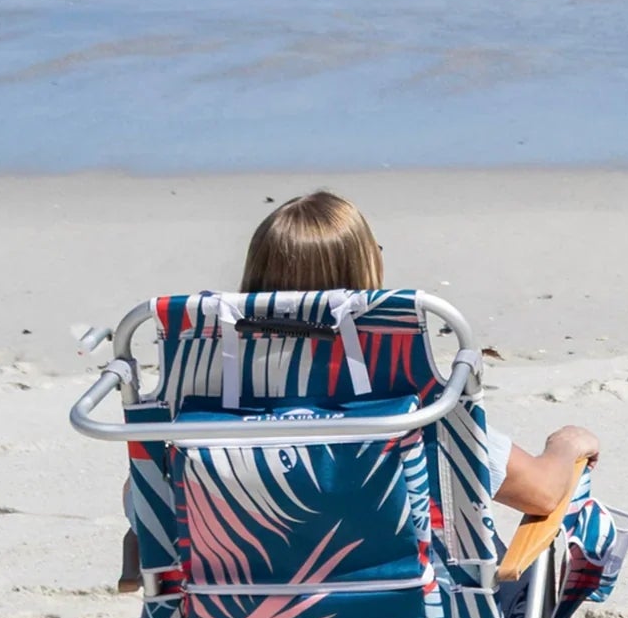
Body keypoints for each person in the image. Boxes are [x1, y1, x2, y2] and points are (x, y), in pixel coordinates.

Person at [119, 192, 601, 589]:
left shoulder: (212, 401)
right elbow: (540, 493)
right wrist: (566, 446)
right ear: (368, 277)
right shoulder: (407, 398)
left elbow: (147, 504)